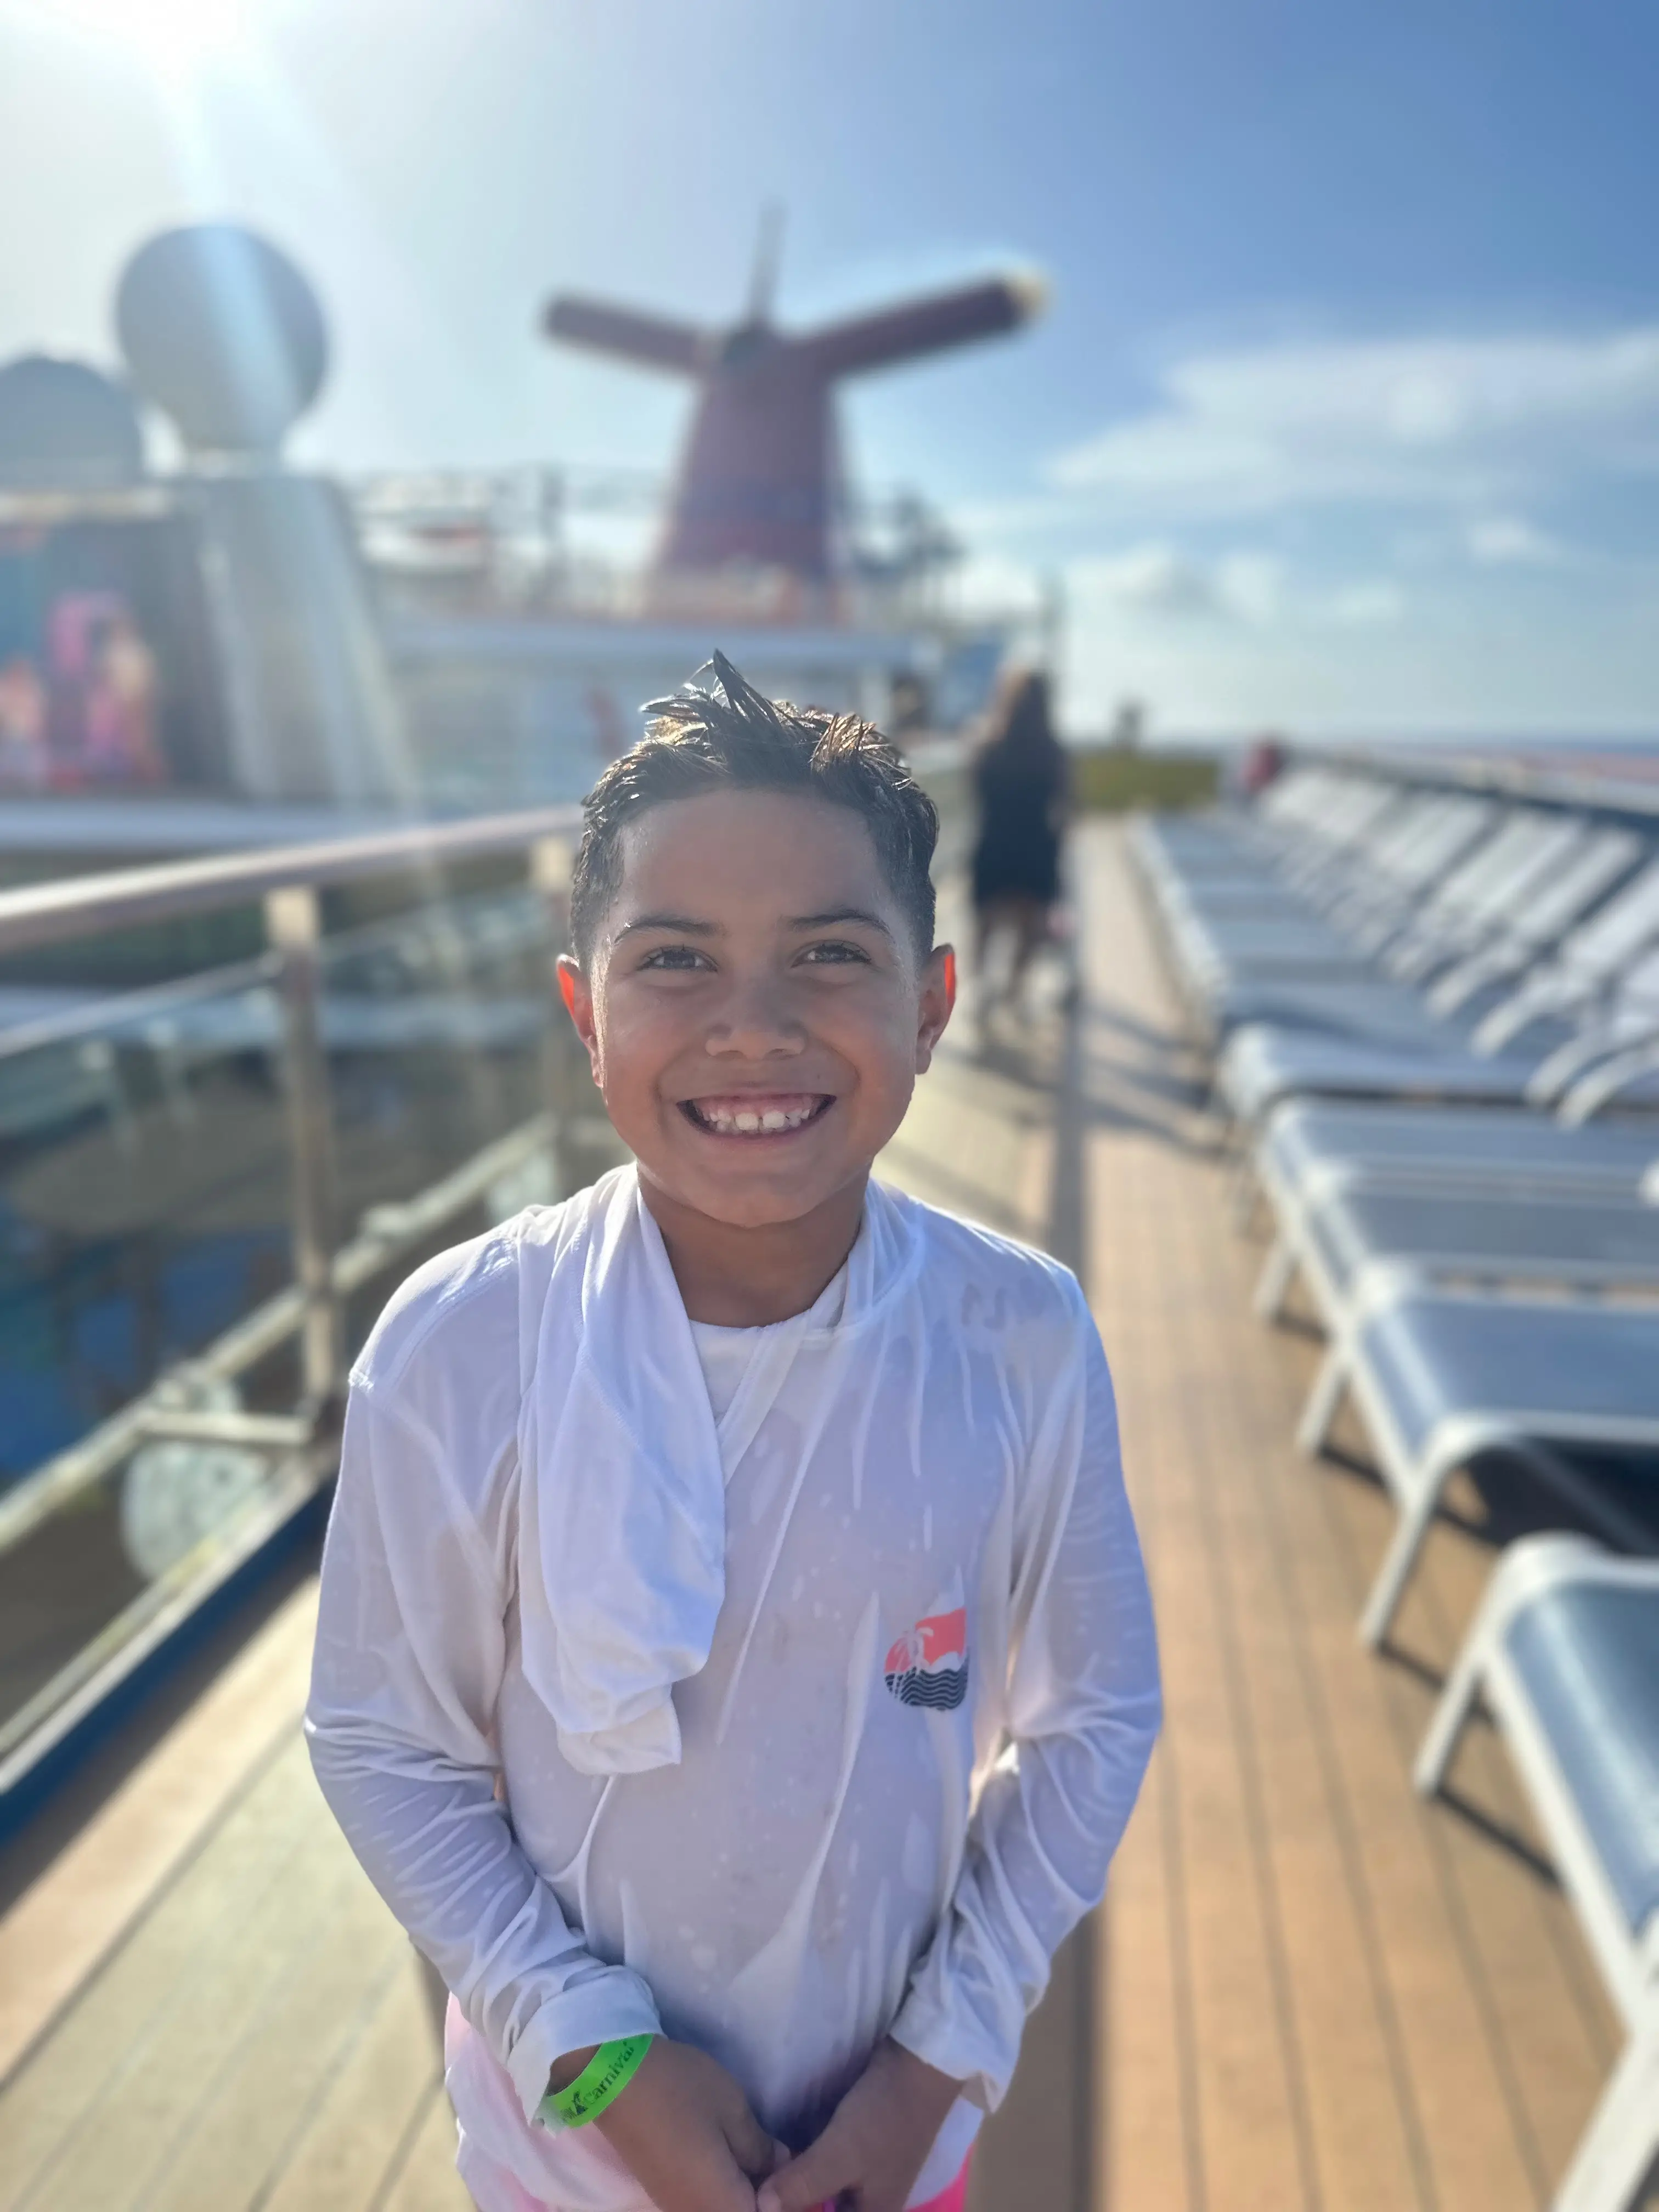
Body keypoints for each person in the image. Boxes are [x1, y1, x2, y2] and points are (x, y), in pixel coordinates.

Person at [306, 652, 1160, 2212]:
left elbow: (1093, 1719)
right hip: (567, 2147)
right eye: (676, 961)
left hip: (889, 2144)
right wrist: (595, 2057)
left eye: (829, 954)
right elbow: (384, 1740)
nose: (752, 1028)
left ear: (931, 1005)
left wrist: (930, 2070)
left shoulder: (1018, 1334)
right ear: (584, 1012)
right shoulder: (460, 1345)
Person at [967, 667, 1069, 1011]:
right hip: (1037, 847)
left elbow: (973, 792)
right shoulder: (1053, 753)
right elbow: (1067, 808)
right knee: (1029, 930)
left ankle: (980, 991)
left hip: (995, 841)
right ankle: (1015, 992)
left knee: (986, 924)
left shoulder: (987, 746)